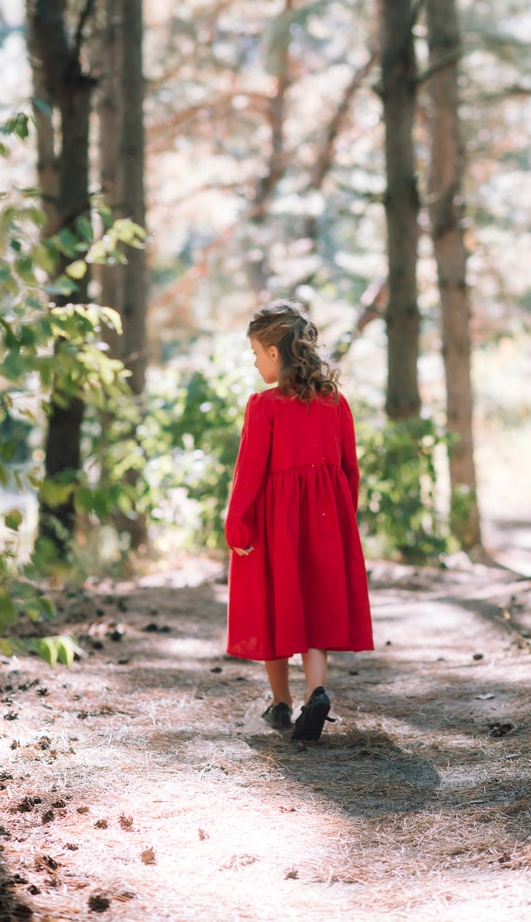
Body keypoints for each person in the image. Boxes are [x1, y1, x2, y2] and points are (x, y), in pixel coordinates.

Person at [224, 299, 374, 741]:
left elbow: (248, 474)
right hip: (327, 520)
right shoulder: (335, 403)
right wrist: (345, 517)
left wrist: (238, 525)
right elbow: (350, 469)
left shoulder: (263, 406)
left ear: (274, 353)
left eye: (255, 353)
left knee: (277, 602)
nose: (254, 364)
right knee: (315, 603)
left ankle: (281, 702)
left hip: (277, 524)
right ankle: (316, 691)